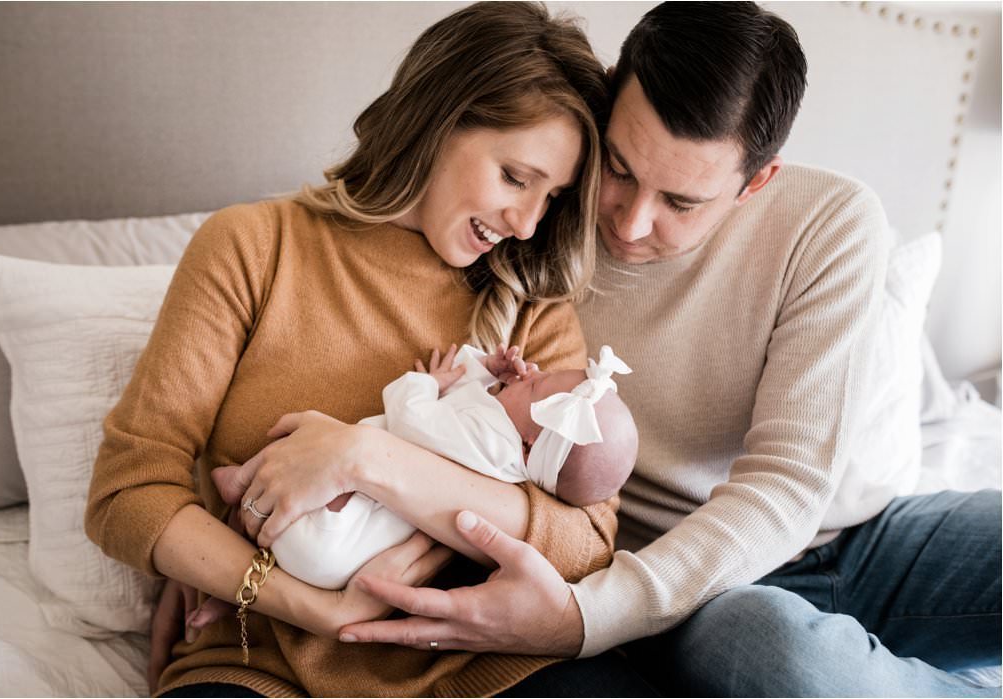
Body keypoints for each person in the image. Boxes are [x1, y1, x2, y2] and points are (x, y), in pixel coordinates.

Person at [334, 2, 1002, 696]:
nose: (629, 222)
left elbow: (789, 482)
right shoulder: (538, 205)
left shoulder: (830, 223)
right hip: (676, 590)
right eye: (620, 168)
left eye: (681, 202)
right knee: (785, 658)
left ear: (757, 182)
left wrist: (579, 619)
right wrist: (589, 611)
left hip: (858, 540)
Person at [84, 2, 632, 697]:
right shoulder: (255, 247)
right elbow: (128, 495)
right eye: (515, 177)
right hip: (261, 664)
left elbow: (587, 541)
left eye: (550, 198)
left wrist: (368, 459)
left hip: (484, 664)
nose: (526, 223)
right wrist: (312, 605)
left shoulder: (531, 304)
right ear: (434, 123)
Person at [197, 342, 638, 595]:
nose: (528, 373)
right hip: (341, 566)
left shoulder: (491, 434)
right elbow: (461, 417)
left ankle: (237, 481)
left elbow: (415, 418)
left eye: (537, 384)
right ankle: (232, 589)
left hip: (328, 532)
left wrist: (425, 383)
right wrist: (483, 370)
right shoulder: (508, 462)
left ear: (529, 445)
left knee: (308, 439)